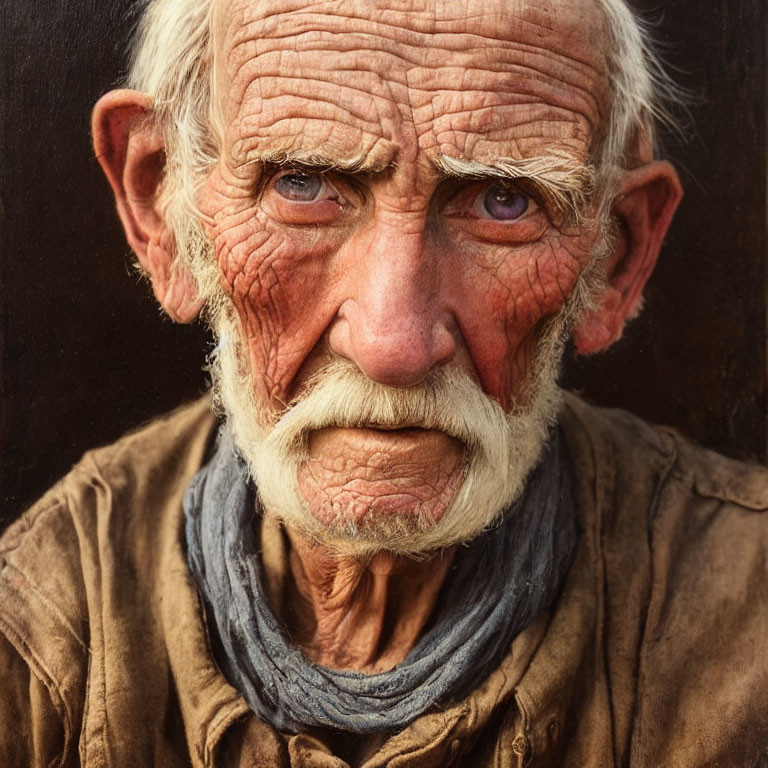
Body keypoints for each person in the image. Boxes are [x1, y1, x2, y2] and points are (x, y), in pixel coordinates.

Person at [1, 0, 767, 765]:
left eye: (504, 201)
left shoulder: (746, 634)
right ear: (162, 206)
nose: (393, 345)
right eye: (301, 185)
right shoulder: (39, 638)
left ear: (615, 256)